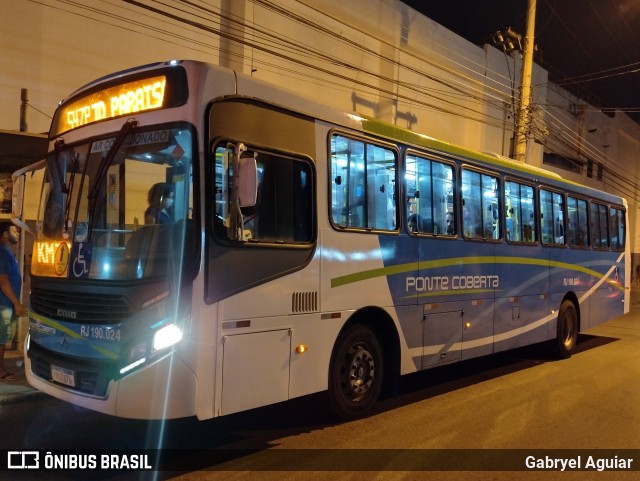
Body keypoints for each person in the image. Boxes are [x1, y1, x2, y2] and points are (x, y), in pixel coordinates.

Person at [0, 221, 28, 381]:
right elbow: (3, 281)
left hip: (5, 303)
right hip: (3, 303)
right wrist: (16, 303)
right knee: (1, 339)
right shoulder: (2, 253)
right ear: (5, 234)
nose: (17, 234)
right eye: (15, 231)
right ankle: (1, 371)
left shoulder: (5, 251)